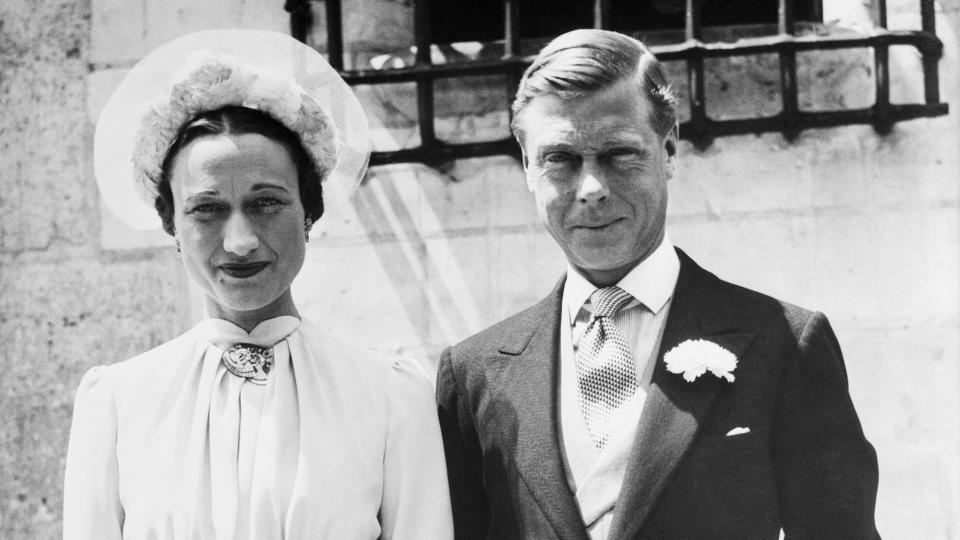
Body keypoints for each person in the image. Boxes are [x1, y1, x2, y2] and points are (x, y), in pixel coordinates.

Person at [437, 29, 880, 539]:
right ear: (528, 167)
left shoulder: (784, 345)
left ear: (668, 150)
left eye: (619, 154)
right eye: (560, 158)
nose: (592, 189)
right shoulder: (474, 375)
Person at [63, 30, 452, 539]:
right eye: (207, 209)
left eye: (267, 202)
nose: (241, 241)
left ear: (309, 211)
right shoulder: (116, 403)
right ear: (171, 226)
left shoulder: (391, 398)